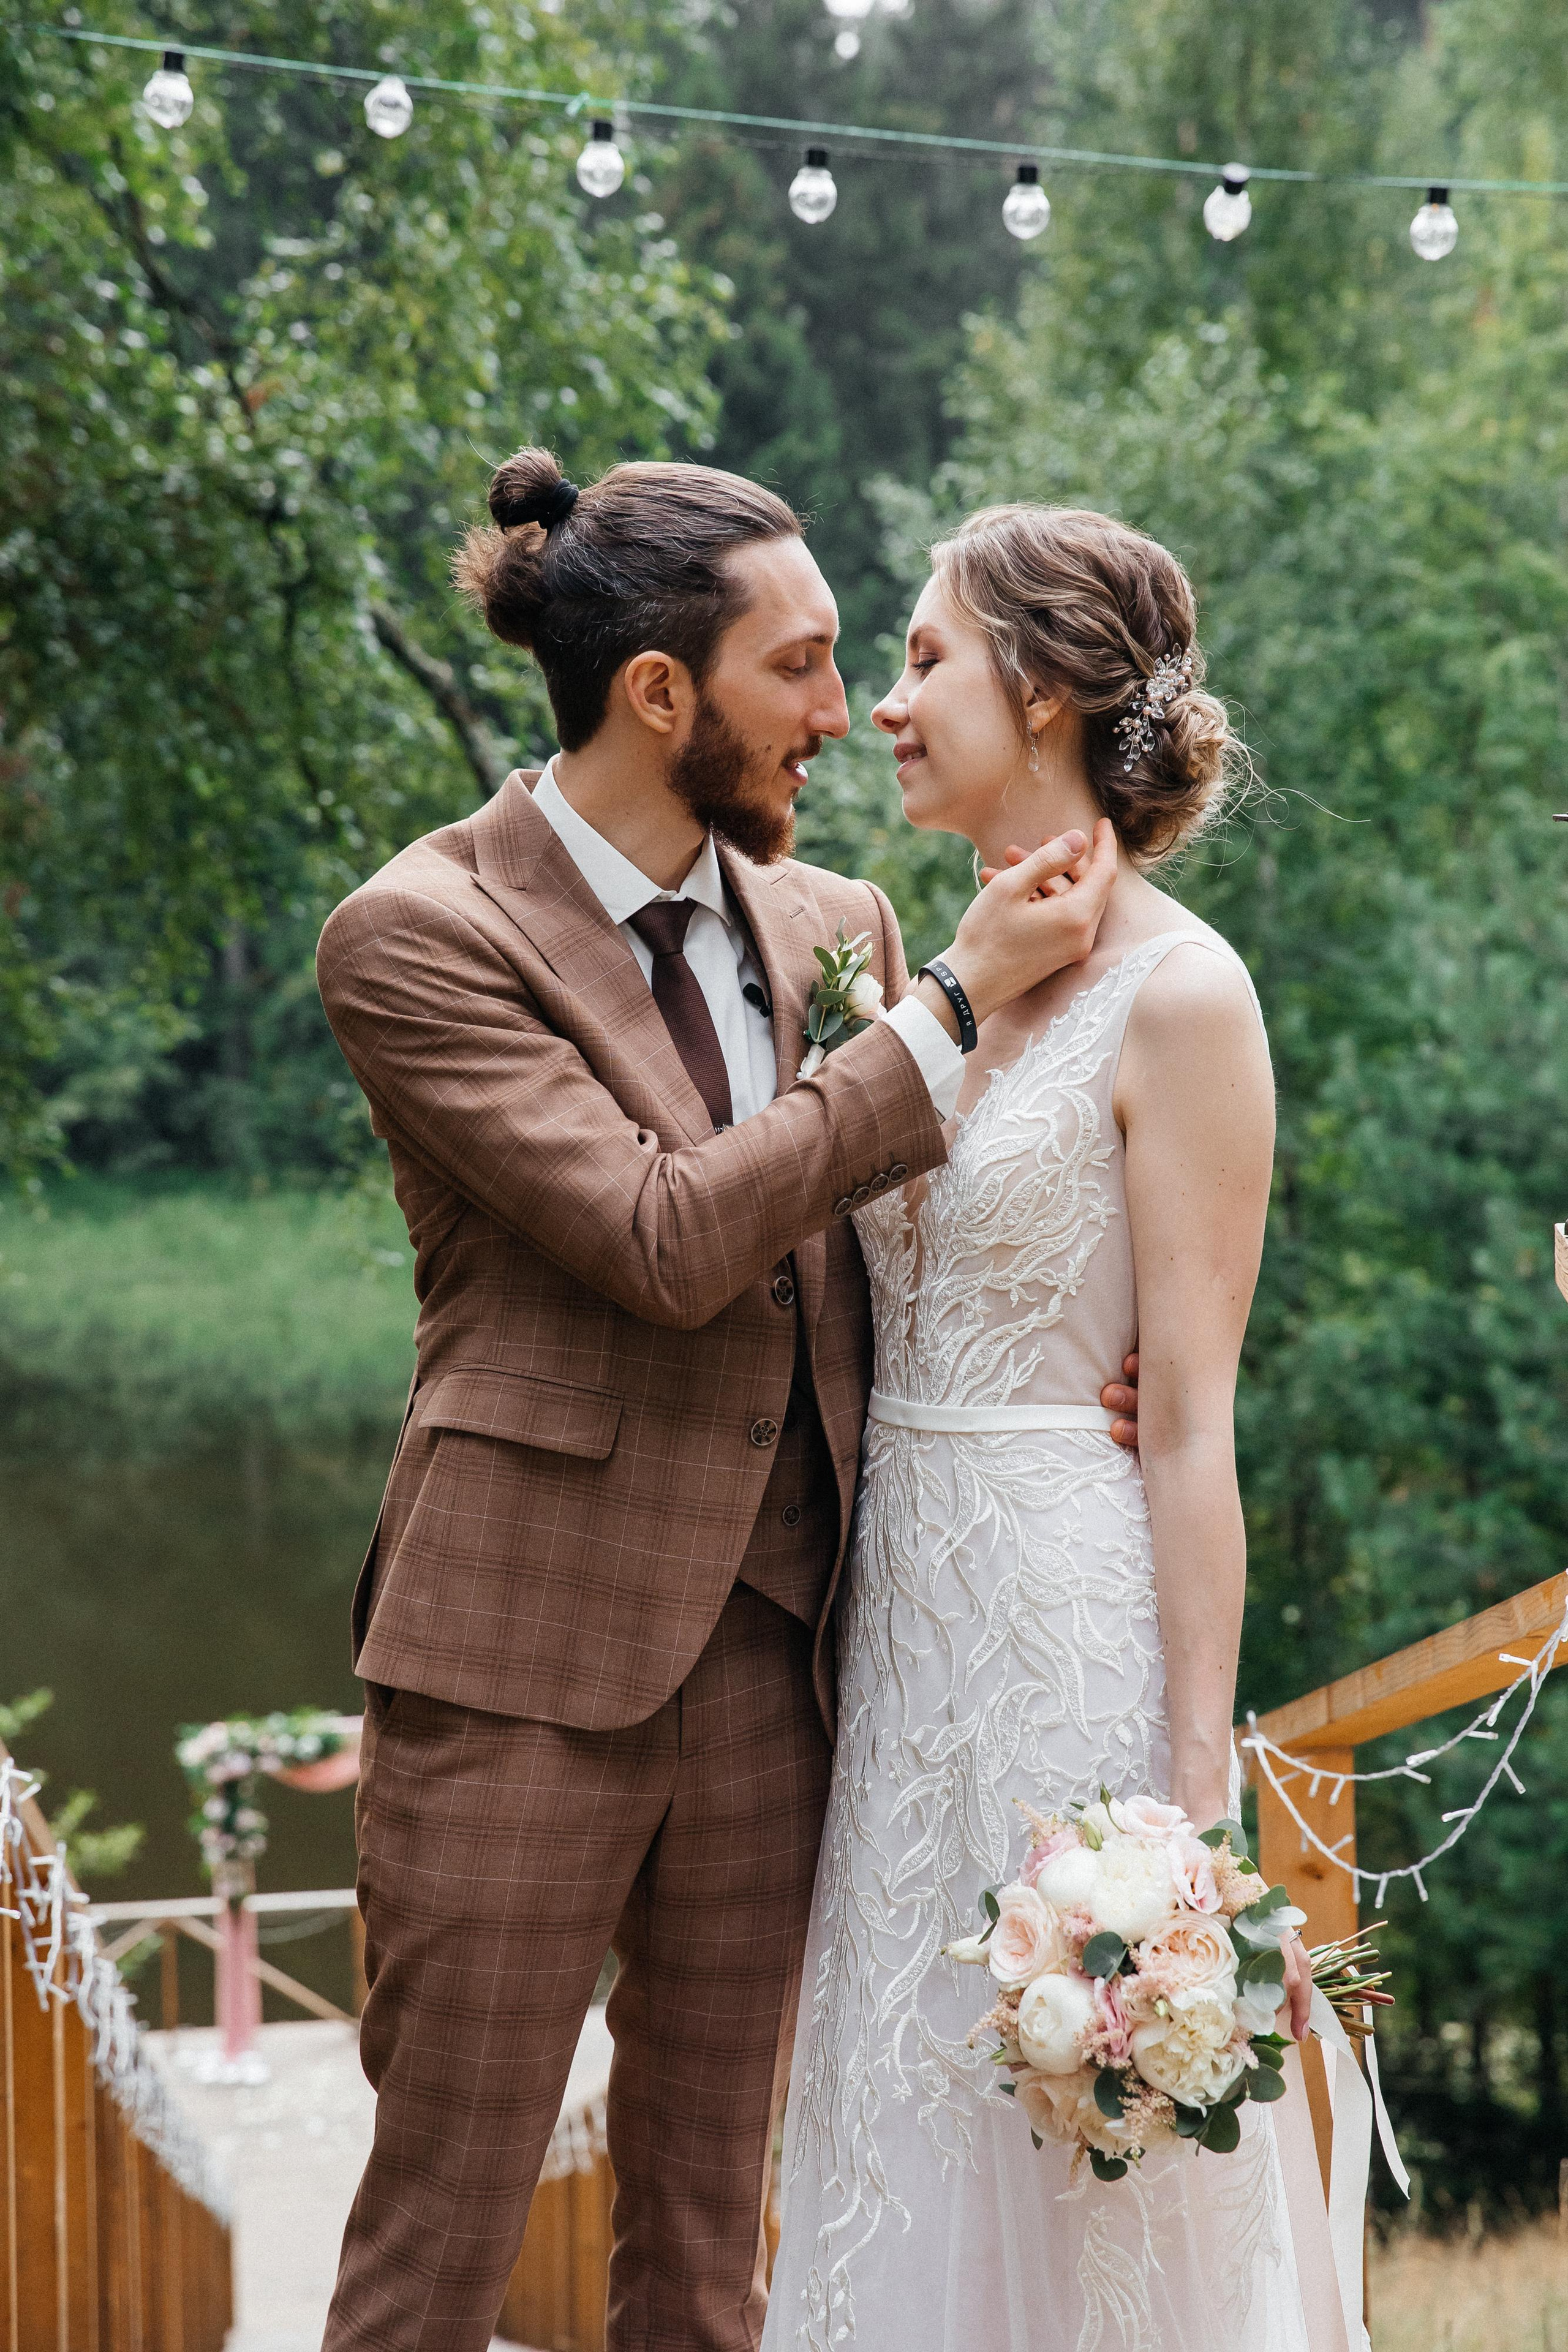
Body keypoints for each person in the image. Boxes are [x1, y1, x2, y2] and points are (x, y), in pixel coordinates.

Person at [313, 451, 1139, 2352]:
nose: (845, 715)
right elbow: (668, 1237)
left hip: (781, 1671)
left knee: (709, 2259)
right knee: (435, 2250)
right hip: (519, 1668)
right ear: (660, 693)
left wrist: (1103, 1345)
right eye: (805, 665)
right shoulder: (421, 935)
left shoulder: (828, 924)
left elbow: (914, 1223)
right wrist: (938, 1012)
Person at [763, 503, 1318, 2351]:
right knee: (890, 2143)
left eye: (924, 661)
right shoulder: (913, 978)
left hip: (1060, 1649)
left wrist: (1193, 1822)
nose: (885, 709)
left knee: (1084, 2188)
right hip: (890, 1662)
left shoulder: (1187, 996)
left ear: (1052, 688)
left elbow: (1190, 1428)